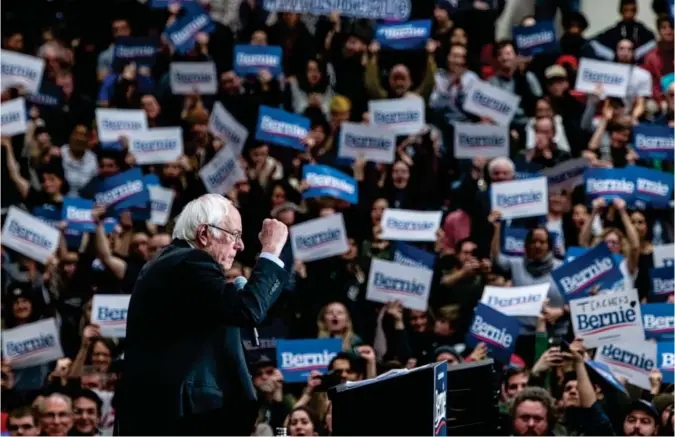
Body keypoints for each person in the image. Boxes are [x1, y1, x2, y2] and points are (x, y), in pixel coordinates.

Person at [114, 194, 289, 436]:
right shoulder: (189, 262)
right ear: (204, 233)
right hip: (183, 418)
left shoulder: (173, 265)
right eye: (235, 235)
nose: (240, 246)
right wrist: (271, 251)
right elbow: (247, 309)